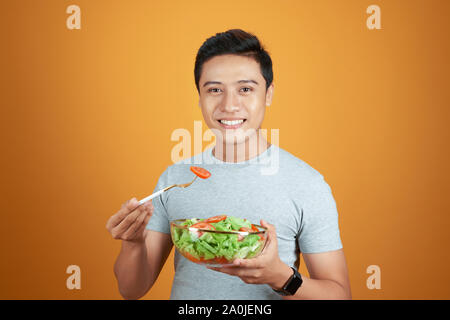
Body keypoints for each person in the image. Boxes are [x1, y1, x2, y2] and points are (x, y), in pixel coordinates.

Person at [106, 29, 351, 300]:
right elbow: (131, 289)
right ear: (199, 97)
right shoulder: (174, 178)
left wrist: (280, 276)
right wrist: (133, 243)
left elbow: (339, 295)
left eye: (245, 89)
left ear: (268, 94)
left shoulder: (307, 183)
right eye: (214, 90)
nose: (229, 105)